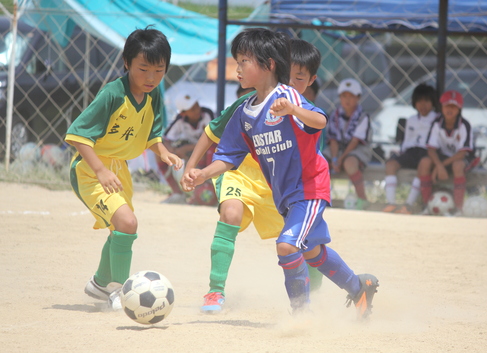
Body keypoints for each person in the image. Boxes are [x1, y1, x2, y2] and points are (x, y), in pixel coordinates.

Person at [183, 28, 379, 318]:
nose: (237, 69)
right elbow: (227, 158)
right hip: (286, 197)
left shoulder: (287, 95)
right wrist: (202, 173)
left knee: (287, 246)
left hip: (309, 188)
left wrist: (292, 111)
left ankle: (301, 314)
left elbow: (321, 120)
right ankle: (359, 287)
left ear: (269, 64)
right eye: (237, 61)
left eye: (244, 61)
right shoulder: (244, 112)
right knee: (313, 253)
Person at [181, 37, 324, 314]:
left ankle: (315, 296)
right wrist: (193, 167)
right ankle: (215, 290)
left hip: (279, 186)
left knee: (307, 243)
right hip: (241, 175)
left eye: (300, 78)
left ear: (311, 81)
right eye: (288, 75)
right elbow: (211, 133)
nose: (292, 82)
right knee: (230, 214)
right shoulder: (247, 105)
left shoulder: (302, 111)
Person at [64, 26, 182, 310]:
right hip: (90, 169)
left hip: (119, 170)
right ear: (126, 63)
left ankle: (100, 283)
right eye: (143, 69)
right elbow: (78, 135)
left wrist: (163, 151)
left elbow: (151, 134)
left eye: (159, 70)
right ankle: (119, 291)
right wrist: (101, 172)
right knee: (128, 223)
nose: (151, 77)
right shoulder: (112, 95)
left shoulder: (152, 95)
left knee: (120, 229)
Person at [382, 83, 438, 214]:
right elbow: (407, 141)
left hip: (426, 152)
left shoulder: (437, 119)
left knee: (423, 166)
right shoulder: (411, 120)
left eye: (426, 101)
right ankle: (391, 203)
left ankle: (409, 204)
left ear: (433, 102)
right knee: (390, 164)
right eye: (419, 101)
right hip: (411, 151)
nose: (422, 105)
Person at [417, 90, 475, 216]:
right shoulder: (437, 124)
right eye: (447, 106)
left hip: (461, 159)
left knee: (457, 165)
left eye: (454, 107)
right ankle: (427, 205)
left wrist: (441, 166)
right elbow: (431, 149)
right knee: (425, 162)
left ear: (459, 109)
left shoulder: (464, 125)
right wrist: (438, 166)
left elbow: (462, 153)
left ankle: (458, 208)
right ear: (441, 107)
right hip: (443, 159)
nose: (450, 109)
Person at [158, 91, 214, 204]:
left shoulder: (207, 114)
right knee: (159, 152)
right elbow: (166, 140)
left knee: (212, 149)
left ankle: (207, 187)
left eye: (197, 105)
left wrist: (187, 148)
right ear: (183, 113)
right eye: (192, 109)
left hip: (206, 152)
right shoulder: (179, 120)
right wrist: (173, 152)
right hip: (187, 152)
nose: (197, 110)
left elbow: (213, 139)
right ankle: (177, 193)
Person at [325, 78, 372, 210]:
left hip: (358, 149)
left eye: (351, 96)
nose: (347, 99)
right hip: (338, 148)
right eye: (344, 96)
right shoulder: (335, 115)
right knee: (321, 161)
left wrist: (340, 159)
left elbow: (355, 141)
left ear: (358, 98)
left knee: (349, 163)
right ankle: (322, 196)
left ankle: (363, 199)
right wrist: (334, 158)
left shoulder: (363, 116)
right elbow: (333, 140)